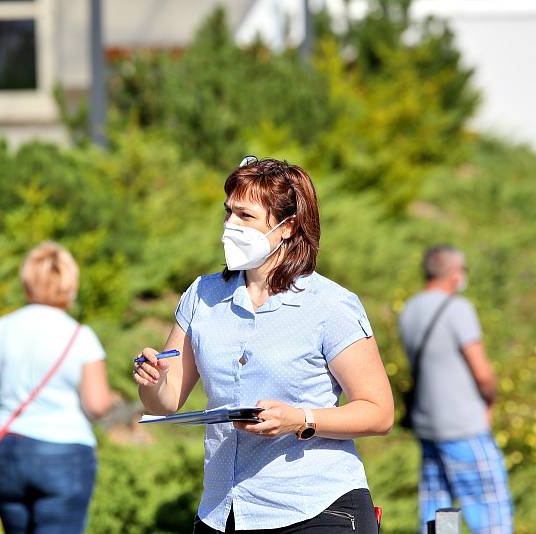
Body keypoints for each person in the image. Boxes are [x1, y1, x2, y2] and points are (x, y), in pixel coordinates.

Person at [133, 157, 394, 533]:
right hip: (223, 512)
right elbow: (165, 402)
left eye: (245, 216)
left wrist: (299, 419)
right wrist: (153, 381)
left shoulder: (330, 304)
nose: (229, 226)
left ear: (288, 227)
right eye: (227, 213)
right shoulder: (202, 295)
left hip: (315, 510)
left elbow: (379, 412)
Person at [0, 242, 114, 534]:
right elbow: (98, 404)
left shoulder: (1, 327)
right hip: (63, 453)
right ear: (69, 284)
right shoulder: (80, 335)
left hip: (8, 451)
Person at [398, 245, 512, 533]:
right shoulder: (458, 308)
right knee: (490, 512)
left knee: (438, 514)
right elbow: (482, 373)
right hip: (464, 425)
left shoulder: (410, 309)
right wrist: (490, 402)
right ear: (454, 274)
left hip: (428, 426)